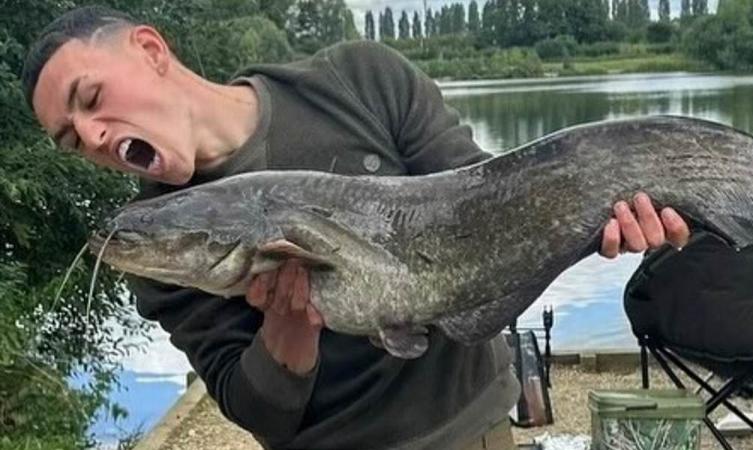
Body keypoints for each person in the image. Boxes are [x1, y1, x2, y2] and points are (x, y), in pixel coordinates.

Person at [23, 6, 690, 450]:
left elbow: (488, 198)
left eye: (91, 99)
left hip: (474, 429)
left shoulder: (358, 79)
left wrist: (592, 216)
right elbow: (259, 414)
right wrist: (287, 334)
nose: (93, 137)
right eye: (70, 140)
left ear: (149, 50)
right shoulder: (154, 251)